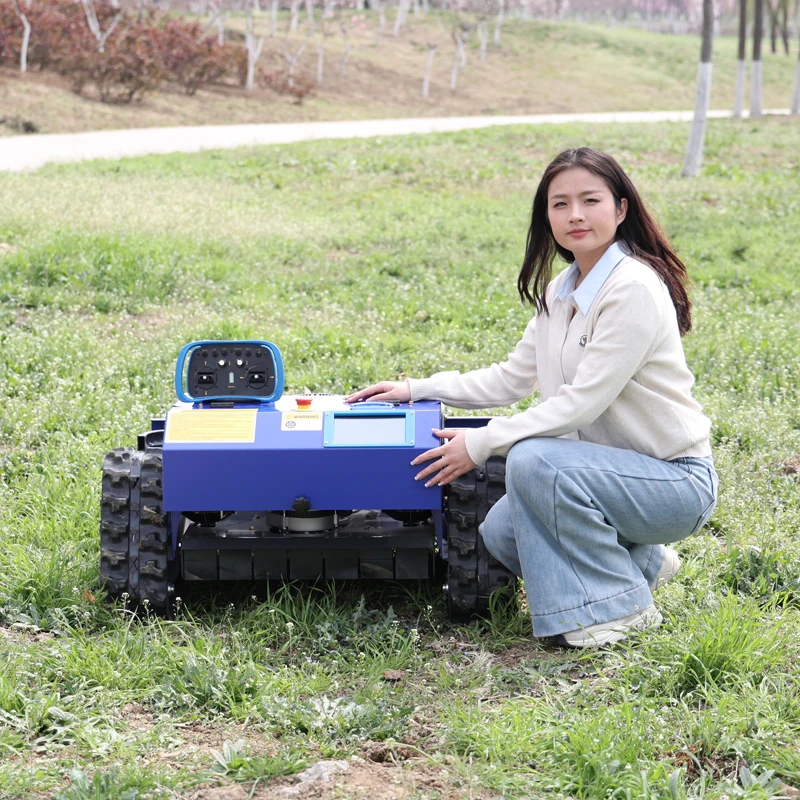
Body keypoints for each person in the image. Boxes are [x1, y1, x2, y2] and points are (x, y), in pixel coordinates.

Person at [344, 147, 718, 648]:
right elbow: (510, 379)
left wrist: (481, 444)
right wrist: (417, 389)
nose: (575, 216)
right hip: (604, 473)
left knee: (534, 461)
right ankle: (641, 562)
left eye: (590, 200)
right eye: (560, 204)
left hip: (672, 482)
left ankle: (622, 611)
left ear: (621, 208)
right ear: (547, 215)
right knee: (502, 533)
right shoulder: (562, 289)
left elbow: (581, 403)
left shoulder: (632, 289)